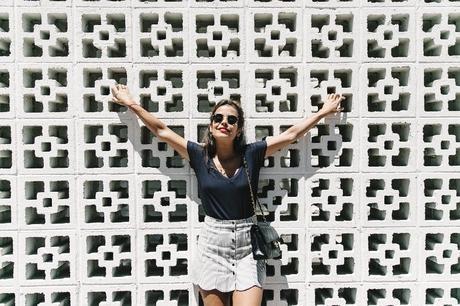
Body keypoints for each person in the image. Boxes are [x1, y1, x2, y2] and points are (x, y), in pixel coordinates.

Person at [110, 84, 345, 306]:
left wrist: (324, 111)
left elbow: (291, 134)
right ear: (211, 125)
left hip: (248, 246)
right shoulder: (198, 155)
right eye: (218, 118)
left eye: (232, 119)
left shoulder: (252, 154)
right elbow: (161, 130)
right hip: (213, 245)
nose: (225, 123)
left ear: (239, 128)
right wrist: (131, 104)